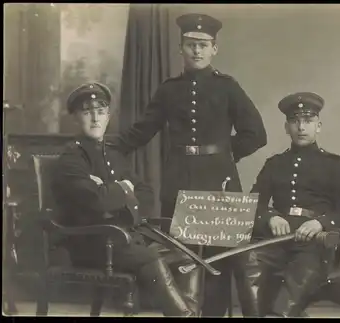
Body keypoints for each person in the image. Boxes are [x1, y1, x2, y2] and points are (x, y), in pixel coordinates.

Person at [112, 13, 267, 317]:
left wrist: (223, 155)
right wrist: (105, 148)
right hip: (179, 180)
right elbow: (141, 132)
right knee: (182, 258)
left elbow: (256, 135)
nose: (197, 50)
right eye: (190, 44)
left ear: (214, 49)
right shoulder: (169, 90)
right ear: (180, 48)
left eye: (203, 45)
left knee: (219, 259)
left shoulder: (227, 87)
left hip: (220, 182)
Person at [51, 82, 196, 317]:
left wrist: (114, 190)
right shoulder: (71, 159)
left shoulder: (114, 153)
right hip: (91, 243)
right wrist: (123, 190)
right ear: (76, 118)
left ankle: (192, 311)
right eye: (87, 112)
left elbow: (146, 194)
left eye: (100, 111)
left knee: (185, 254)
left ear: (108, 116)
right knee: (150, 257)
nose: (95, 119)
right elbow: (97, 202)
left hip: (125, 238)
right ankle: (183, 315)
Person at [248, 92, 340, 317]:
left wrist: (322, 223)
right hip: (275, 243)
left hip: (315, 247)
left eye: (308, 121)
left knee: (283, 308)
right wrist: (270, 217)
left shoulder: (333, 165)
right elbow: (254, 202)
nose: (301, 127)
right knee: (248, 267)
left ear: (318, 126)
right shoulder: (275, 164)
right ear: (286, 127)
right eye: (295, 121)